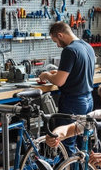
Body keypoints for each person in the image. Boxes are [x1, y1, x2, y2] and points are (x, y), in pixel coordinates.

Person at [39, 21, 95, 155]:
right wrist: (58, 72)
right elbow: (77, 72)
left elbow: (59, 81)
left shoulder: (69, 50)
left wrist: (46, 75)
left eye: (56, 41)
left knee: (67, 142)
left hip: (73, 102)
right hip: (88, 100)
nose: (57, 45)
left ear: (60, 35)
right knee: (83, 142)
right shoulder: (87, 47)